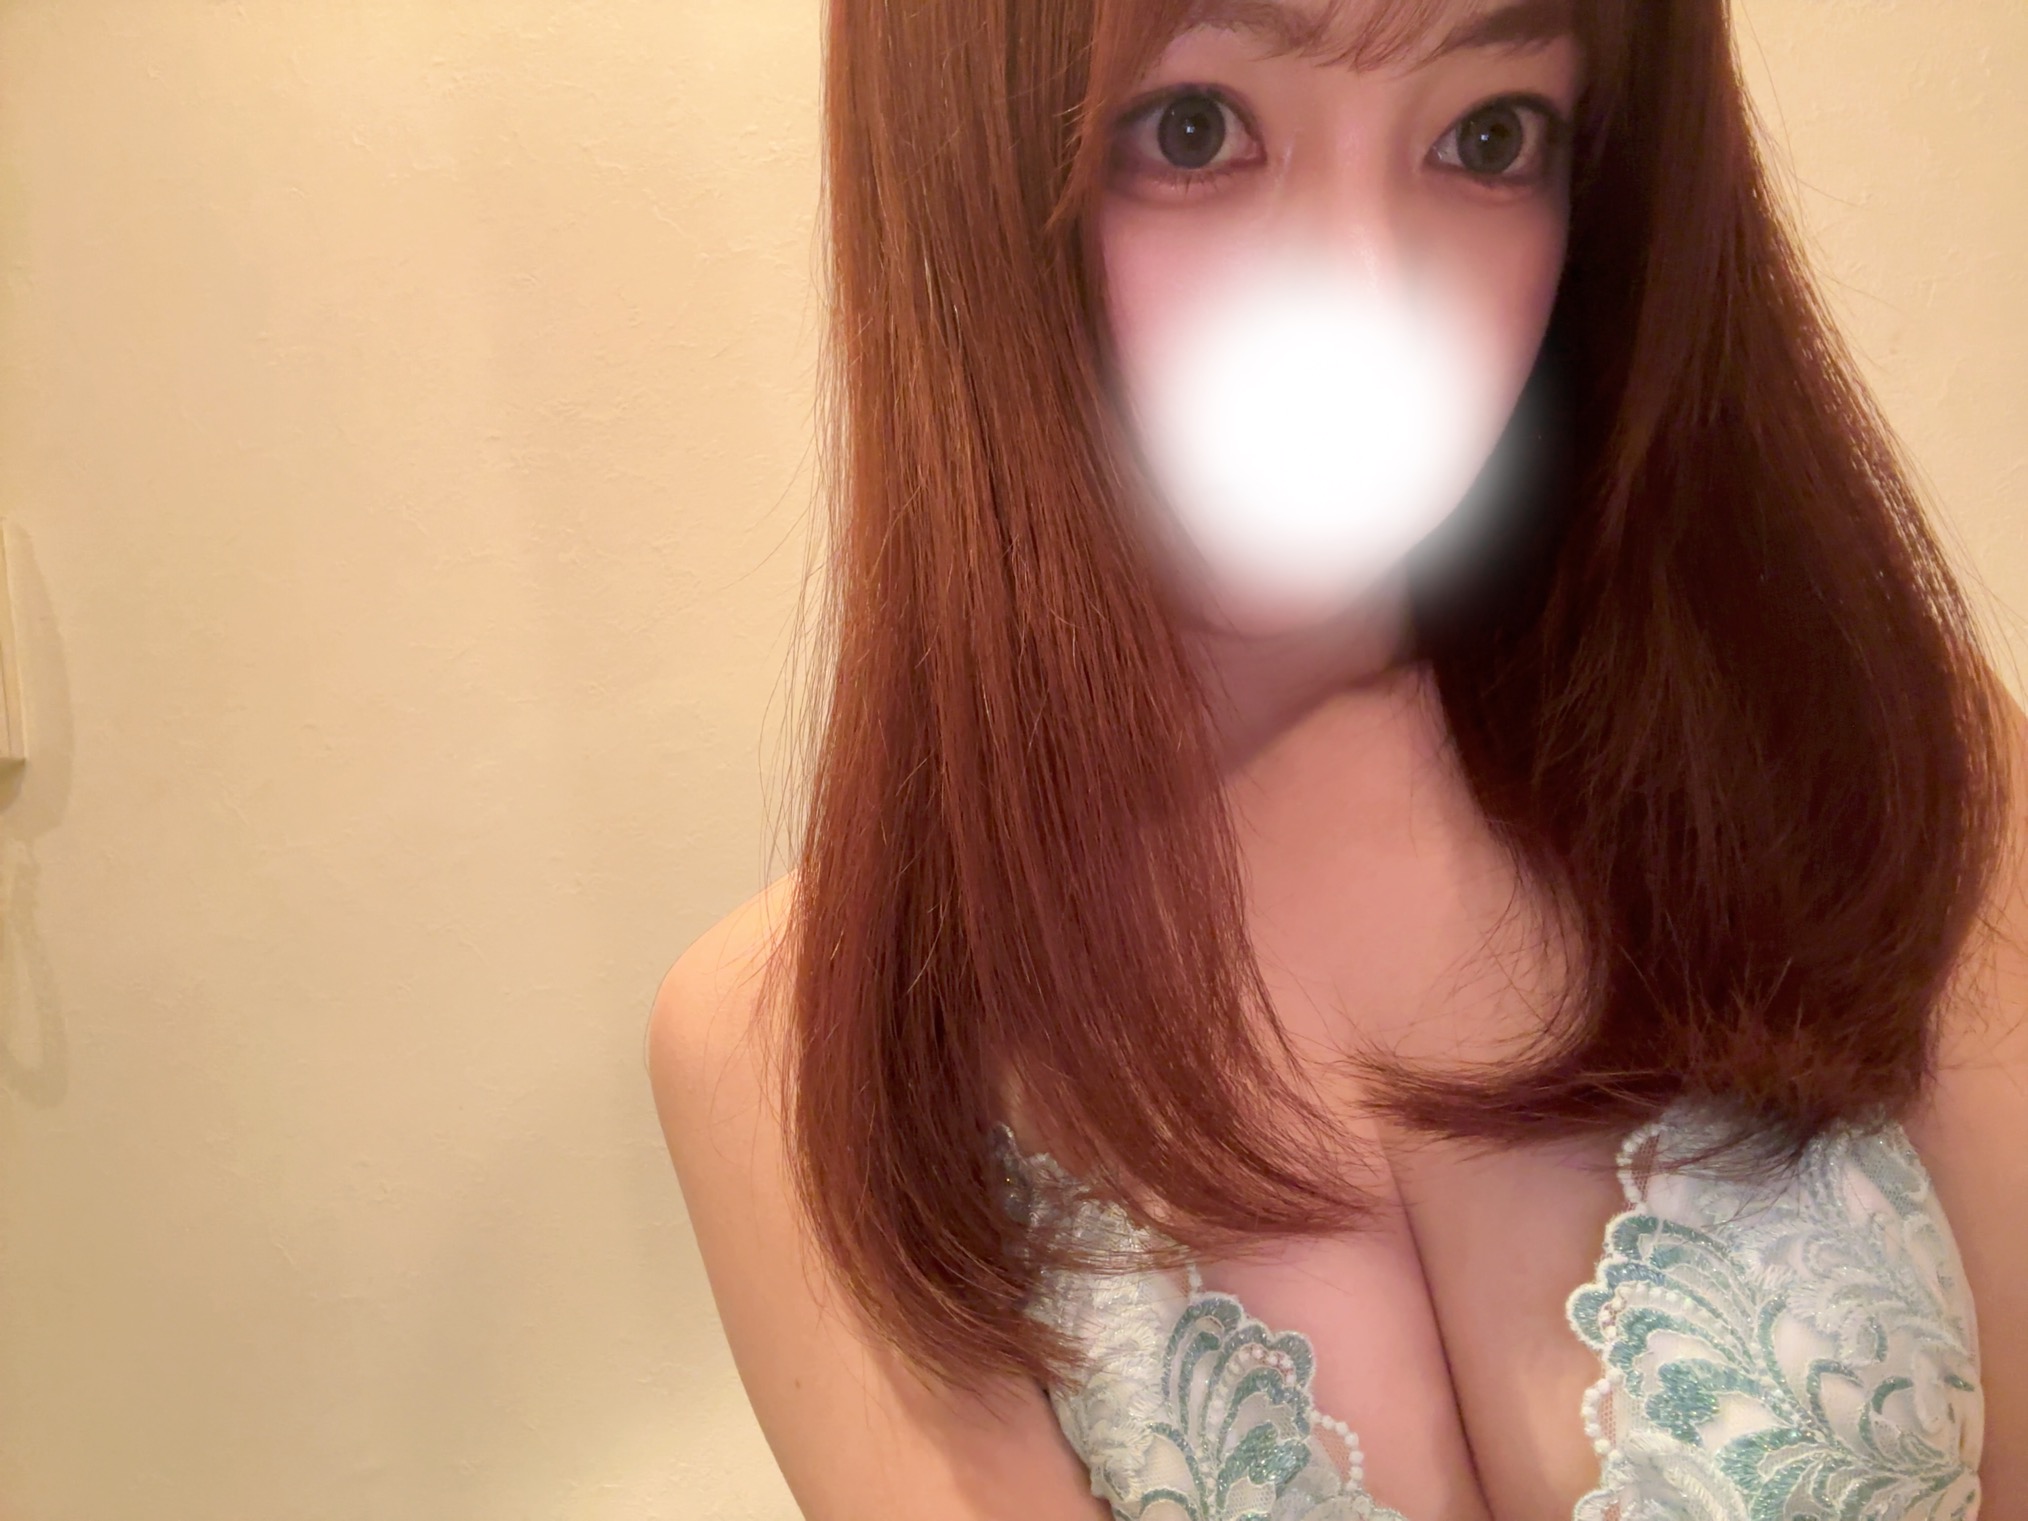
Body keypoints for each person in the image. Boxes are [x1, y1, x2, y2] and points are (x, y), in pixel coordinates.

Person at [648, 0, 2028, 1515]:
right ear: (962, 165)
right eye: (1194, 132)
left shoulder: (1880, 772)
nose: (1371, 294)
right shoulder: (809, 1053)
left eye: (1489, 136)